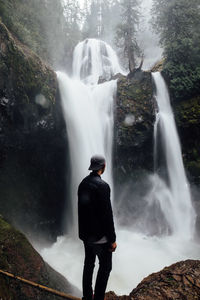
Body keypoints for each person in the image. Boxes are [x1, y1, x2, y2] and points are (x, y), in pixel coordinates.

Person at [78, 155, 117, 300]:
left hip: (86, 234)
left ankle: (87, 296)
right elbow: (107, 215)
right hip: (100, 237)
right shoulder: (103, 186)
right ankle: (98, 297)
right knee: (106, 266)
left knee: (89, 263)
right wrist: (112, 239)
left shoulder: (83, 183)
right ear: (103, 167)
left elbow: (82, 210)